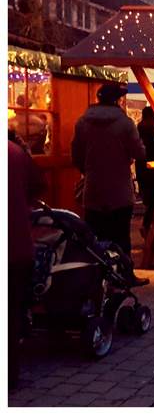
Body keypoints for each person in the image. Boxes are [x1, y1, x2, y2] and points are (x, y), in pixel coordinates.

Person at [72, 83, 147, 265]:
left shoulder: (83, 122)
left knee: (95, 237)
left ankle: (97, 277)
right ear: (117, 100)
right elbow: (139, 153)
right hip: (119, 189)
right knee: (120, 236)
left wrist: (89, 170)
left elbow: (76, 155)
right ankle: (123, 275)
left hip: (93, 189)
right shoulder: (125, 124)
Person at [8, 141, 46, 389]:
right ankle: (9, 374)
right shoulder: (14, 151)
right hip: (14, 245)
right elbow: (38, 186)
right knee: (11, 311)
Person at [134, 107, 154, 237]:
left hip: (142, 170)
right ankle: (148, 230)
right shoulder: (148, 131)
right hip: (151, 172)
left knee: (150, 202)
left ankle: (149, 231)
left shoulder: (139, 129)